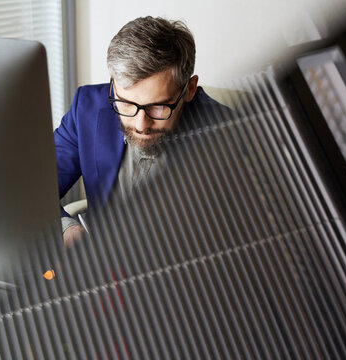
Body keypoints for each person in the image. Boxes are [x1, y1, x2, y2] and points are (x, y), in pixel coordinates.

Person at [54, 16, 230, 247]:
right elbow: (34, 186)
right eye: (125, 103)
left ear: (189, 89)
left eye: (158, 106)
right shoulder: (86, 107)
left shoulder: (229, 134)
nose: (140, 124)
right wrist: (67, 227)